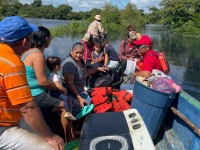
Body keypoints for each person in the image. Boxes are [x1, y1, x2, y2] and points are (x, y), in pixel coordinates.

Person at [0, 16, 64, 150]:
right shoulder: (13, 64)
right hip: (3, 126)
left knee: (39, 132)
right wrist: (50, 137)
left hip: (11, 115)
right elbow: (27, 108)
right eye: (30, 38)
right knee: (50, 147)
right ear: (24, 41)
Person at [21, 26, 71, 142]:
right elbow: (42, 82)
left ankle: (54, 127)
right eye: (51, 38)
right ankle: (69, 136)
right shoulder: (37, 54)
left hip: (29, 91)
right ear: (46, 38)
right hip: (35, 94)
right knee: (65, 104)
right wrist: (59, 87)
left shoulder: (27, 52)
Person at [61, 42, 109, 116]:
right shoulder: (69, 64)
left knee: (95, 102)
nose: (78, 55)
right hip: (71, 93)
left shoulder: (81, 61)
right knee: (85, 107)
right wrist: (79, 97)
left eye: (81, 53)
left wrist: (97, 68)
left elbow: (86, 71)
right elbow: (69, 83)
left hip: (80, 90)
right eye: (76, 52)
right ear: (71, 51)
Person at [46, 56, 76, 121]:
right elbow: (57, 85)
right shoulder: (54, 75)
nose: (61, 66)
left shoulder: (53, 74)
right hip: (53, 92)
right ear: (56, 67)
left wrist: (62, 79)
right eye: (60, 65)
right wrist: (64, 89)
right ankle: (67, 112)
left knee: (69, 98)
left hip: (54, 92)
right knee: (66, 98)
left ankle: (70, 112)